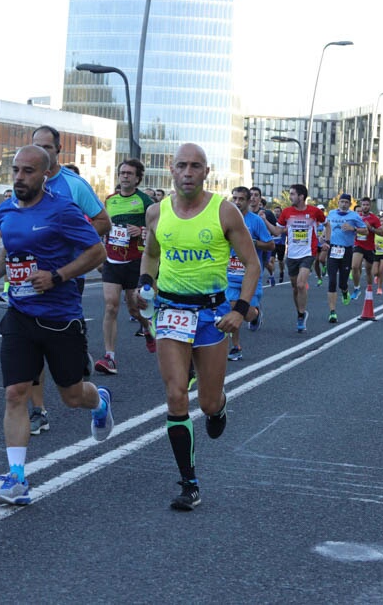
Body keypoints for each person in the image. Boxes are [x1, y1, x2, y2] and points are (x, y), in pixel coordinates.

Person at [0, 144, 112, 506]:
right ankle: (17, 477)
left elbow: (97, 252)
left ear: (45, 175)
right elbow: (10, 250)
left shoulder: (63, 210)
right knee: (15, 392)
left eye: (28, 172)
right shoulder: (5, 209)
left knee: (72, 396)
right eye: (16, 170)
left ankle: (98, 401)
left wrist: (58, 275)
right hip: (20, 314)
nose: (19, 177)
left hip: (60, 317)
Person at [139, 143, 259, 510]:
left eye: (195, 166)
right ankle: (189, 484)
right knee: (176, 395)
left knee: (205, 402)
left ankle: (218, 406)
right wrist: (145, 283)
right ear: (170, 170)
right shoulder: (157, 212)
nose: (188, 172)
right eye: (181, 166)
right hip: (171, 312)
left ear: (207, 172)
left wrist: (240, 309)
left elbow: (252, 264)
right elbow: (152, 252)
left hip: (211, 315)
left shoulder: (224, 212)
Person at [24, 125, 110, 435]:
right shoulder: (25, 181)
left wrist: (75, 246)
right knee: (29, 345)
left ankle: (77, 352)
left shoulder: (74, 185)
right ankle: (38, 410)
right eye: (36, 145)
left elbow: (102, 220)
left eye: (47, 146)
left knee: (64, 356)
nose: (42, 151)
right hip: (29, 279)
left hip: (68, 276)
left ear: (58, 151)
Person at [94, 159, 156, 375]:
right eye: (122, 172)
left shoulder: (145, 201)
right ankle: (109, 357)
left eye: (130, 173)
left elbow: (155, 230)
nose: (125, 176)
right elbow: (103, 226)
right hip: (112, 260)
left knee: (134, 308)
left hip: (135, 261)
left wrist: (142, 231)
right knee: (110, 306)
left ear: (138, 178)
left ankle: (148, 328)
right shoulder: (110, 200)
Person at [225, 186, 273, 361]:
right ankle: (236, 347)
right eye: (234, 198)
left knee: (247, 314)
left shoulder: (255, 221)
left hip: (250, 277)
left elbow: (270, 245)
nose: (237, 202)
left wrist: (252, 243)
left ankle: (257, 314)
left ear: (248, 201)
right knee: (233, 309)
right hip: (230, 276)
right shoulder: (225, 220)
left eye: (241, 199)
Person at [276, 184, 326, 332]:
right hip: (291, 254)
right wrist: (264, 222)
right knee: (294, 288)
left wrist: (326, 241)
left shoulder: (314, 211)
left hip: (308, 253)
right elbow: (278, 229)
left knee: (300, 284)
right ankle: (300, 312)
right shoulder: (286, 212)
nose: (290, 197)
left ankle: (301, 315)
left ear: (301, 196)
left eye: (292, 194)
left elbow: (327, 225)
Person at [323, 193, 367, 323]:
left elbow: (365, 231)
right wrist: (324, 238)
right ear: (338, 202)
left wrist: (353, 228)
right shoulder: (331, 213)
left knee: (342, 281)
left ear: (349, 204)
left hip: (346, 250)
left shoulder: (354, 216)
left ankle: (345, 290)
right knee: (331, 281)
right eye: (341, 201)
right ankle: (332, 312)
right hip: (333, 249)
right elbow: (327, 227)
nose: (343, 204)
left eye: (346, 202)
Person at [349, 197, 383, 300]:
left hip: (369, 247)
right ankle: (356, 288)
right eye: (363, 205)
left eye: (367, 205)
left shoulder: (374, 218)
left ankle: (369, 288)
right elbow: (351, 229)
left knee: (368, 271)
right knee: (354, 266)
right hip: (358, 244)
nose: (365, 207)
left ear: (370, 206)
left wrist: (371, 228)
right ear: (361, 205)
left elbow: (381, 233)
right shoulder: (356, 217)